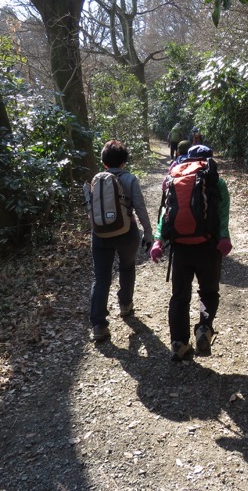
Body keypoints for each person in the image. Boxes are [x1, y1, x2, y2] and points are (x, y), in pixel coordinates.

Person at [150, 145, 232, 361]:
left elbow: (164, 214)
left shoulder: (173, 178)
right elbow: (223, 213)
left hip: (180, 246)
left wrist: (159, 240)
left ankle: (179, 343)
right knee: (208, 292)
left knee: (179, 296)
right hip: (208, 245)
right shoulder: (215, 180)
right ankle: (204, 328)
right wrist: (224, 237)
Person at [89, 140, 154, 343]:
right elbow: (140, 208)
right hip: (127, 232)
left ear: (104, 161)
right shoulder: (130, 179)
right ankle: (125, 305)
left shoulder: (96, 179)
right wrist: (149, 234)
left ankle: (99, 325)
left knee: (101, 278)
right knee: (127, 267)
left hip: (100, 233)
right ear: (124, 161)